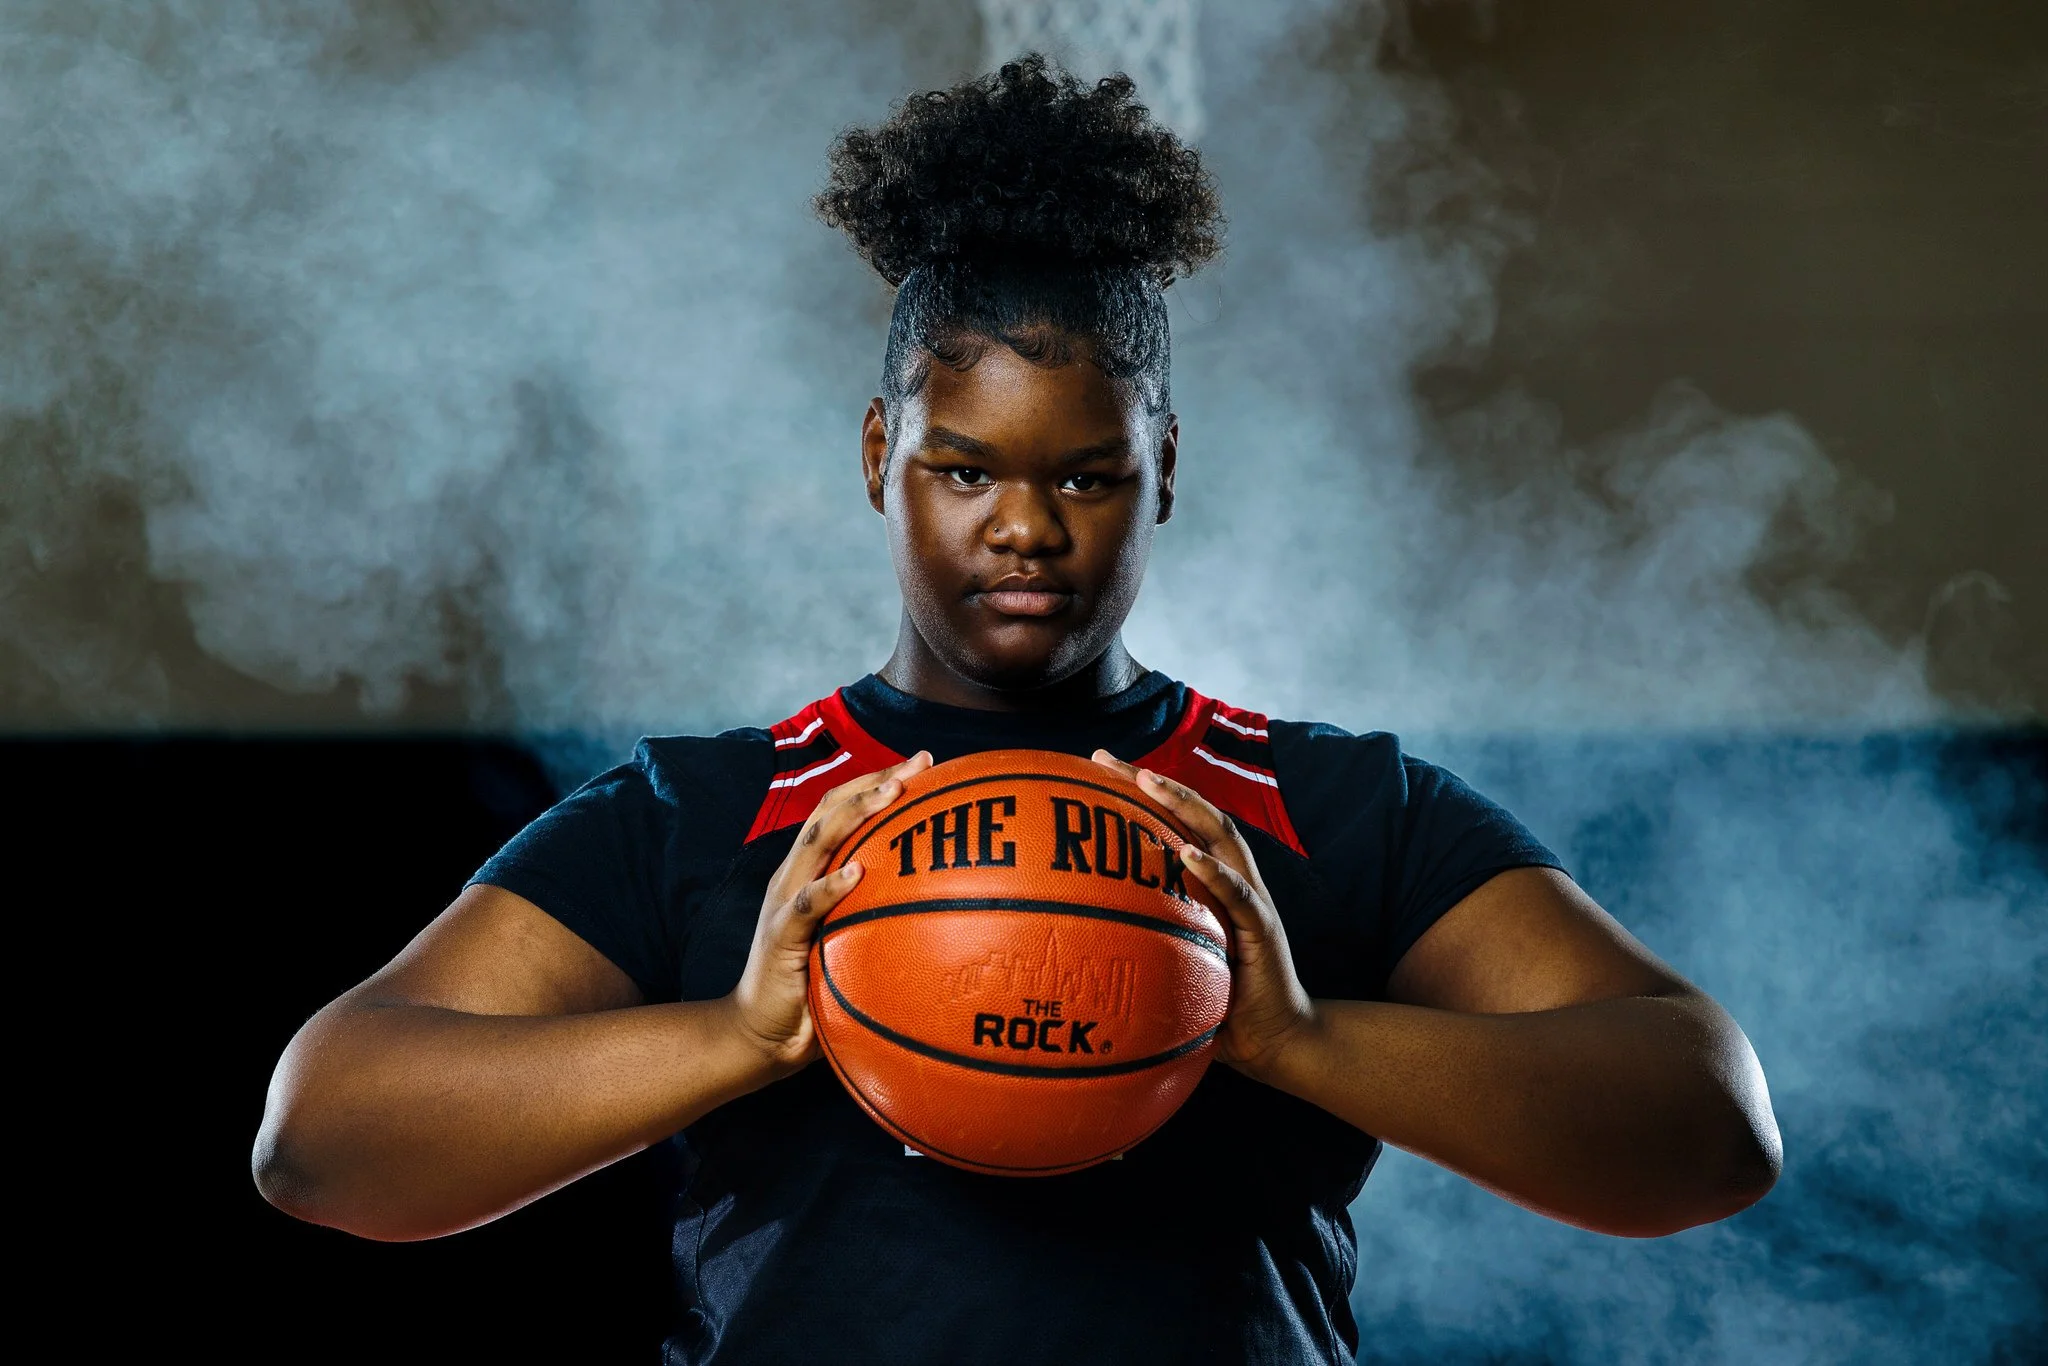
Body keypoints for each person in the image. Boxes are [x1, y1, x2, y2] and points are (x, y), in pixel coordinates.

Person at [254, 56, 1780, 1364]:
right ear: (879, 455)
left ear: (1164, 467)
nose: (1026, 529)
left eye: (1088, 473)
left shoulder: (1324, 806)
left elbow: (1711, 1122)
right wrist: (741, 1032)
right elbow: (320, 1140)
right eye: (965, 466)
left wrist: (1297, 1038)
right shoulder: (717, 811)